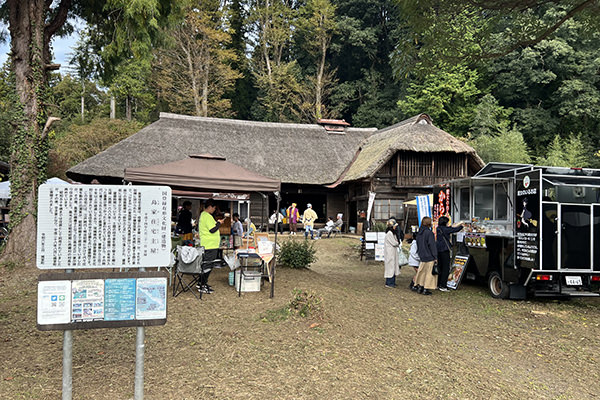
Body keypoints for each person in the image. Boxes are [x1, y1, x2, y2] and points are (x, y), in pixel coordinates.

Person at [198, 199, 224, 294]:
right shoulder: (207, 216)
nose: (214, 210)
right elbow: (212, 229)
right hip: (209, 245)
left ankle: (202, 283)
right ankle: (202, 285)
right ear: (210, 207)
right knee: (207, 265)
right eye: (214, 208)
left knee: (206, 264)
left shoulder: (204, 215)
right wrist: (219, 223)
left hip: (208, 244)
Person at [436, 216, 463, 291]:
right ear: (445, 223)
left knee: (440, 267)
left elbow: (449, 228)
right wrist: (462, 226)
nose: (448, 223)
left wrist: (453, 225)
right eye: (447, 222)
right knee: (445, 268)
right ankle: (443, 286)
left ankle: (438, 284)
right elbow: (455, 229)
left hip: (438, 250)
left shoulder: (439, 228)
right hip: (445, 250)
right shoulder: (445, 229)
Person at [414, 216, 438, 295]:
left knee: (422, 272)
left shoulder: (419, 233)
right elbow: (432, 245)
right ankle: (426, 288)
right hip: (429, 255)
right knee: (429, 273)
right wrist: (435, 256)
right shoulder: (429, 233)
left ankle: (420, 286)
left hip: (422, 255)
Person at [384, 219, 401, 288]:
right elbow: (395, 243)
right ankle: (389, 282)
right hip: (390, 253)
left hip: (393, 252)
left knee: (393, 267)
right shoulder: (389, 234)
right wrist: (397, 242)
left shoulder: (392, 233)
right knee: (390, 267)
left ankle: (392, 282)